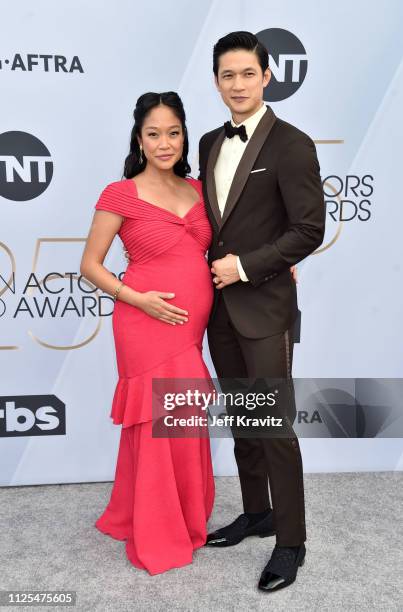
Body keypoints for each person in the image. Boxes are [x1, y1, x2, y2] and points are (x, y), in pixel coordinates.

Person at [198, 31, 325, 592]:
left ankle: (291, 542)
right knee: (244, 422)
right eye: (228, 75)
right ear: (217, 81)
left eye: (248, 73)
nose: (238, 84)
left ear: (267, 76)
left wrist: (246, 267)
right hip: (217, 309)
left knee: (274, 426)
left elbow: (308, 229)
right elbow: (205, 223)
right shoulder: (206, 142)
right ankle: (256, 512)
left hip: (264, 306)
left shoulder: (293, 145)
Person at [80, 92, 215, 575]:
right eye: (153, 133)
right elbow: (90, 266)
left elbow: (230, 245)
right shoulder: (121, 192)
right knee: (159, 422)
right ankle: (158, 530)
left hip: (189, 330)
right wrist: (139, 300)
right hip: (143, 323)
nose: (164, 143)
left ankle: (182, 516)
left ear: (184, 135)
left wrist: (281, 267)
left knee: (182, 420)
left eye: (173, 132)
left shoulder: (200, 191)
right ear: (139, 138)